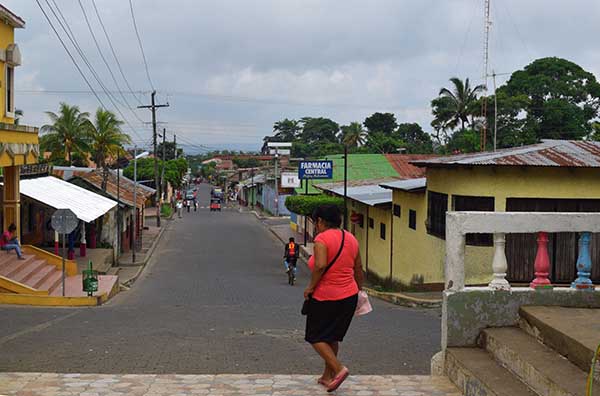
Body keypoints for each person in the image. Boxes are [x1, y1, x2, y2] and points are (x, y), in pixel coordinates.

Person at [304, 204, 363, 393]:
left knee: (314, 336)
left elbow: (320, 266)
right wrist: (359, 292)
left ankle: (338, 369)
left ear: (320, 221)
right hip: (349, 296)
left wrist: (310, 288)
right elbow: (359, 268)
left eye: (315, 222)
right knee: (332, 336)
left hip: (326, 296)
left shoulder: (322, 239)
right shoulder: (351, 238)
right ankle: (327, 376)